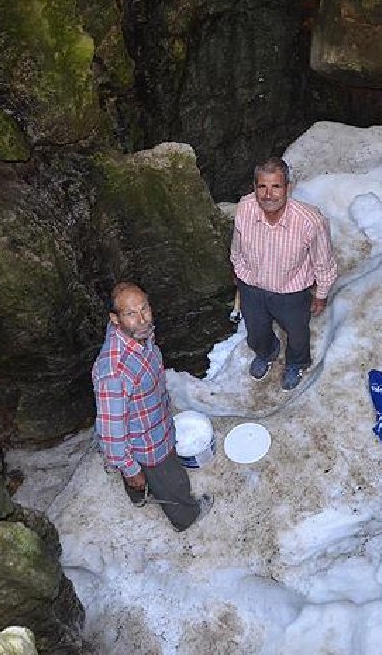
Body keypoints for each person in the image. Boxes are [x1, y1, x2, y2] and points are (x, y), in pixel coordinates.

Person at [92, 281, 212, 531]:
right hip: (150, 444)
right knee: (174, 482)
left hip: (151, 419)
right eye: (130, 313)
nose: (142, 318)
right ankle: (185, 517)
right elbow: (111, 435)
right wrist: (130, 469)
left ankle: (138, 494)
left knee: (142, 480)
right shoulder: (114, 374)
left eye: (144, 308)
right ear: (115, 319)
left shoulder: (136, 334)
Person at [230, 157, 338, 390]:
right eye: (262, 186)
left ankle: (296, 363)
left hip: (291, 291)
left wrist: (321, 294)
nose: (268, 194)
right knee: (256, 331)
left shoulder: (309, 221)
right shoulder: (245, 209)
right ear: (255, 187)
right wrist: (238, 274)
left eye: (276, 186)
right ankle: (267, 351)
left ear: (288, 188)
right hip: (253, 286)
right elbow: (237, 247)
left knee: (298, 335)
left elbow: (324, 261)